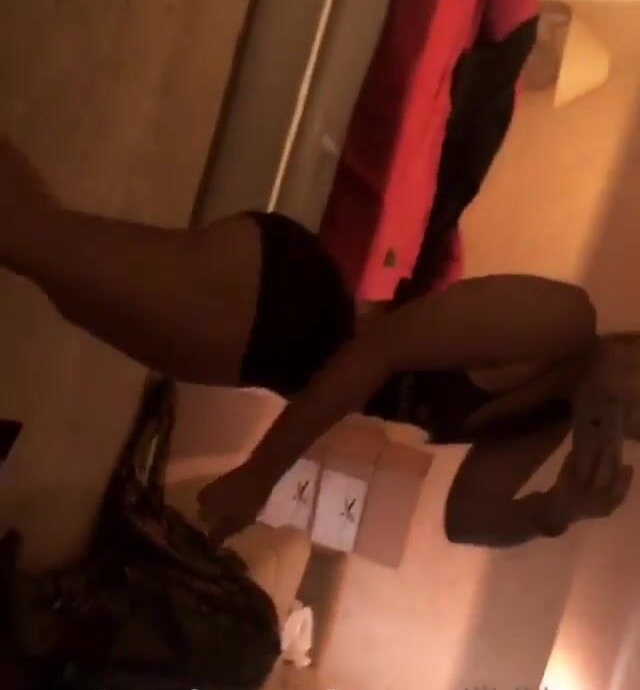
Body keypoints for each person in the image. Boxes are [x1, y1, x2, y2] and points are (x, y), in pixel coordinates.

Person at [0, 137, 634, 548]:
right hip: (274, 297)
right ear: (632, 345)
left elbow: (466, 518)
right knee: (36, 244)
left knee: (54, 263)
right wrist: (261, 474)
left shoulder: (547, 419)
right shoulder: (561, 320)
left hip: (270, 354)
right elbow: (378, 349)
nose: (632, 414)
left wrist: (554, 511)